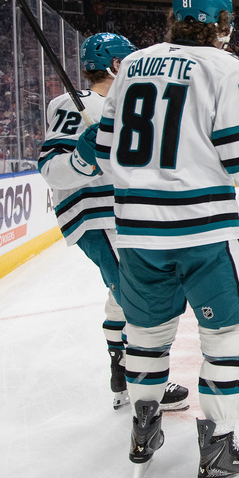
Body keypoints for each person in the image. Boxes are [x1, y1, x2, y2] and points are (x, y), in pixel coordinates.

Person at [77, 0, 239, 478]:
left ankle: (144, 427)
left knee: (147, 334)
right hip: (204, 229)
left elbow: (109, 155)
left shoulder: (131, 65)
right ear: (223, 26)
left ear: (172, 19)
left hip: (136, 233)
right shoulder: (229, 69)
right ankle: (218, 448)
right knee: (225, 337)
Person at [37, 32, 189, 413]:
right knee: (142, 298)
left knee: (123, 292)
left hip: (119, 214)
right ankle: (145, 383)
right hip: (98, 213)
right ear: (117, 65)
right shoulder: (79, 103)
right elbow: (51, 169)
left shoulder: (124, 103)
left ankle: (122, 369)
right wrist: (82, 155)